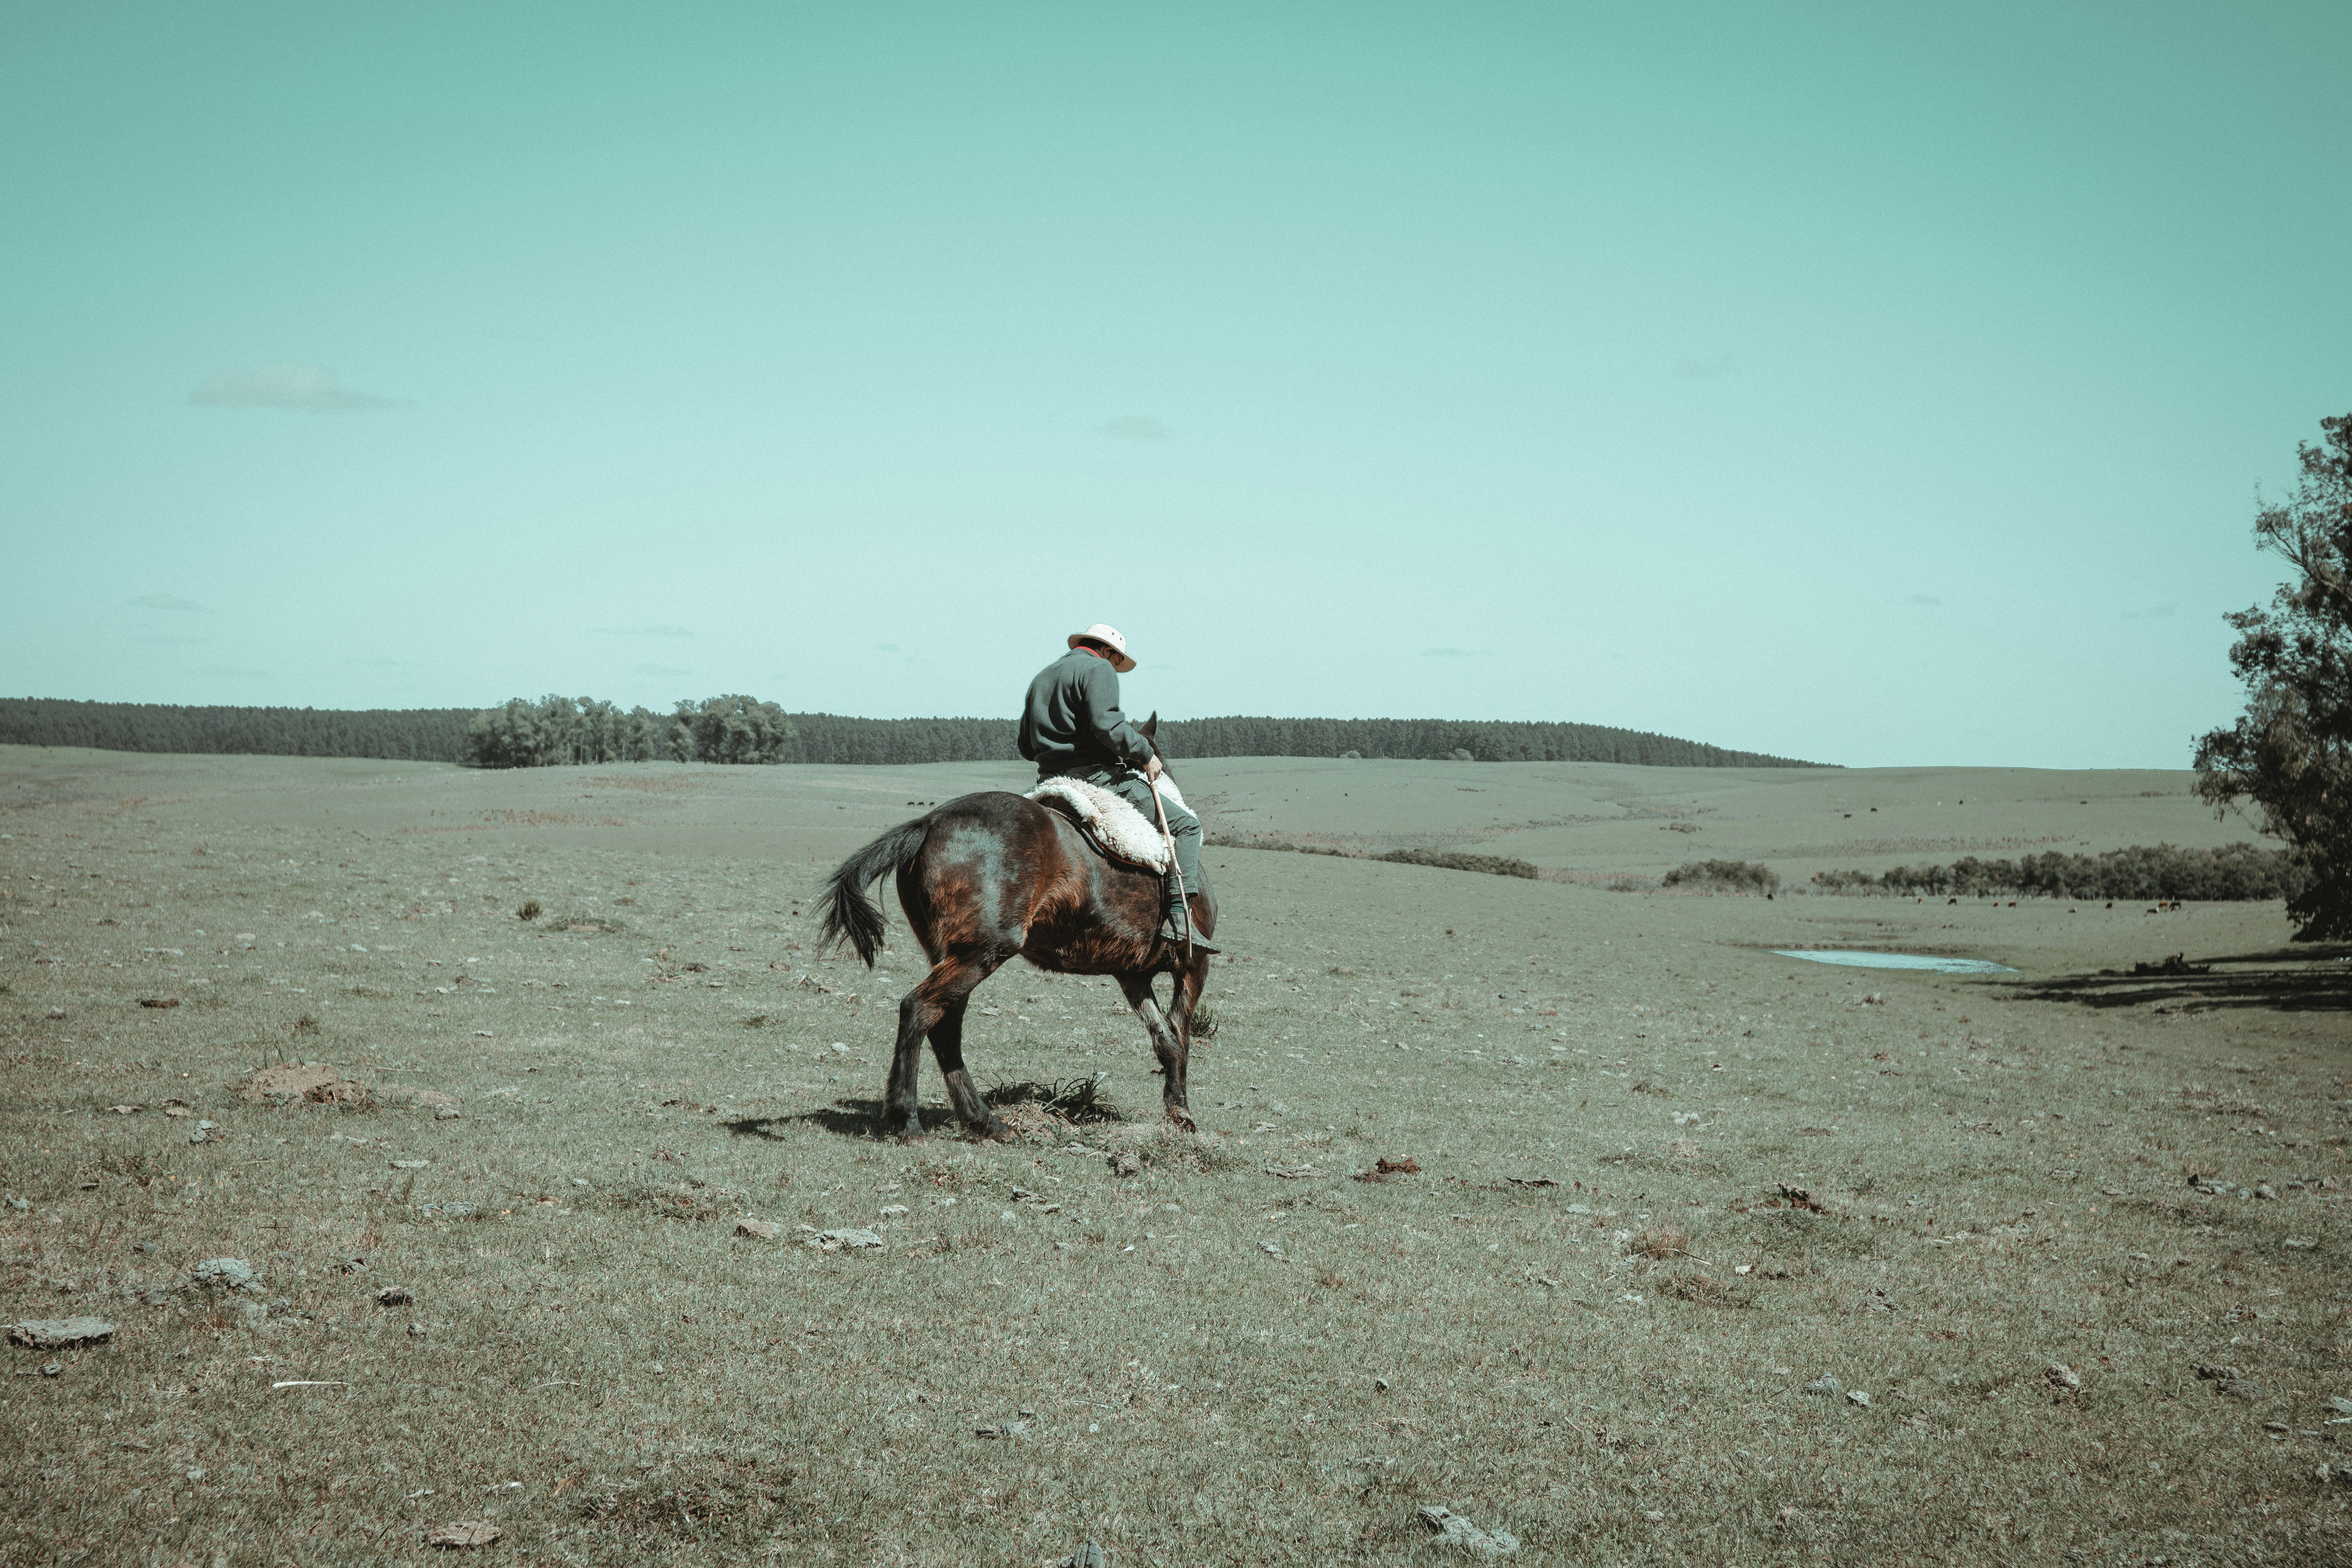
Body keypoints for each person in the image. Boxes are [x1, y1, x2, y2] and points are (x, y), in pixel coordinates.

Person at [1018, 623, 1216, 952]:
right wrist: (1145, 753)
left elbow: (1027, 747)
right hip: (1098, 779)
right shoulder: (1098, 668)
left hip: (1050, 780)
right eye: (1116, 661)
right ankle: (1181, 918)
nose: (1114, 668)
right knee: (1187, 826)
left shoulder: (1042, 677)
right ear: (1108, 651)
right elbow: (1107, 725)